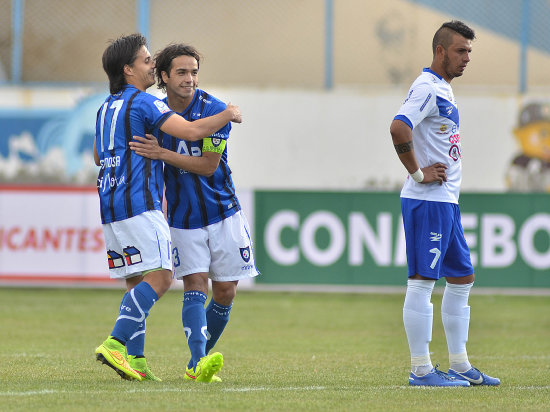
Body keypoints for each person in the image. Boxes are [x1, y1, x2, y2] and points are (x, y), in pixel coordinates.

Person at [93, 34, 242, 382]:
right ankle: (115, 343)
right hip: (139, 202)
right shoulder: (145, 103)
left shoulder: (104, 108)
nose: (151, 65)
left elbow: (99, 156)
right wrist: (228, 114)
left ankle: (137, 362)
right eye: (146, 61)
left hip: (110, 204)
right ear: (128, 69)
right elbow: (190, 131)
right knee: (162, 276)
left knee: (135, 280)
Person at [129, 43, 259, 383]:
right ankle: (199, 363)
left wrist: (162, 154)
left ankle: (195, 359)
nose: (190, 79)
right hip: (184, 219)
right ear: (164, 76)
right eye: (182, 72)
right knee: (195, 285)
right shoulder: (153, 114)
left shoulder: (214, 110)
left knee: (226, 291)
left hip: (224, 211)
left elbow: (208, 165)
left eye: (194, 72)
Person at [389, 21, 500, 387]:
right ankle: (420, 369)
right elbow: (399, 127)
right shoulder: (426, 88)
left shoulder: (443, 90)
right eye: (460, 51)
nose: (467, 58)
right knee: (422, 281)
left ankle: (460, 364)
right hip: (427, 199)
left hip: (446, 201)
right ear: (440, 51)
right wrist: (418, 173)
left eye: (469, 51)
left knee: (462, 277)